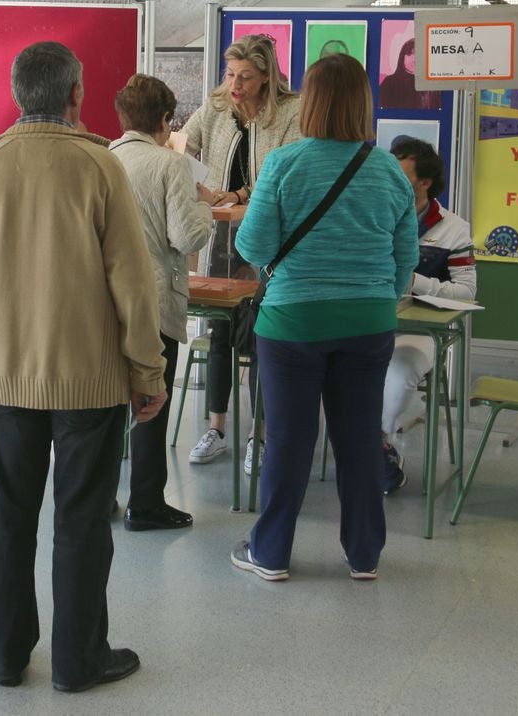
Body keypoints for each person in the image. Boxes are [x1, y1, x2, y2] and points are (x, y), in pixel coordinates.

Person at [0, 41, 167, 692]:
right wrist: (147, 371)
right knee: (81, 522)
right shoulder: (100, 169)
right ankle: (78, 660)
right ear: (76, 94)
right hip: (90, 380)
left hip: (9, 379)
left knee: (8, 520)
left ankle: (6, 656)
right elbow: (133, 282)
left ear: (19, 95)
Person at [229, 53, 418, 583]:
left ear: (308, 102)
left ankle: (270, 553)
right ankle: (363, 556)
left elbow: (253, 243)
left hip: (293, 323)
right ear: (364, 103)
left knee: (289, 439)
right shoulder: (388, 171)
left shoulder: (284, 164)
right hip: (368, 322)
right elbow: (404, 264)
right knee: (358, 438)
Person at [181, 34, 302, 474]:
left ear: (267, 76)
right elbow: (183, 147)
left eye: (246, 77)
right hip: (220, 237)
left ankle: (260, 436)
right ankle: (216, 428)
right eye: (231, 74)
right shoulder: (215, 108)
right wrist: (197, 186)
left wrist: (235, 193)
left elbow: (283, 173)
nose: (235, 84)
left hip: (269, 239)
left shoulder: (290, 112)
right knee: (218, 330)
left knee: (261, 336)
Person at [109, 74, 213, 531]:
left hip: (107, 299)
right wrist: (205, 206)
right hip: (156, 299)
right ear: (167, 120)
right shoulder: (170, 165)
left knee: (108, 405)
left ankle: (99, 498)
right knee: (153, 401)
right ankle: (146, 503)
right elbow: (187, 235)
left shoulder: (105, 158)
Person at [379, 137, 476, 494]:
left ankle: (380, 445)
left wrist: (415, 281)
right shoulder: (371, 216)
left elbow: (466, 293)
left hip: (419, 330)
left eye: (400, 176)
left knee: (400, 371)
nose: (389, 183)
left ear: (425, 182)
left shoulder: (453, 228)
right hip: (370, 324)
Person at [378, 38, 440, 110]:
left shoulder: (433, 86)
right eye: (411, 53)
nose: (415, 58)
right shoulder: (389, 82)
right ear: (402, 57)